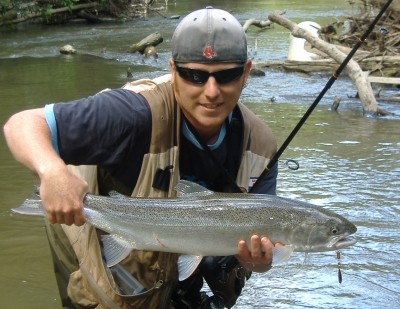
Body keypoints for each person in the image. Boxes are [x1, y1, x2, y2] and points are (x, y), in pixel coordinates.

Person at [3, 6, 279, 309]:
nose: (211, 92)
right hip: (87, 219)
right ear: (173, 71)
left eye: (226, 75)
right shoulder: (132, 113)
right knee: (100, 297)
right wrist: (52, 173)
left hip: (177, 245)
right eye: (194, 76)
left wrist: (257, 262)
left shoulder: (260, 145)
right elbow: (23, 124)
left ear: (247, 72)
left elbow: (262, 251)